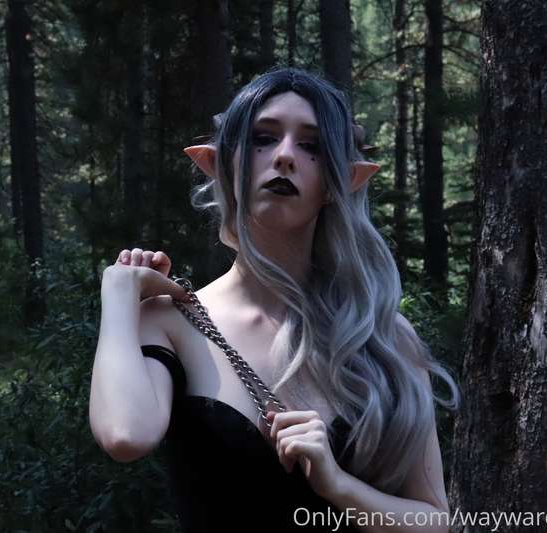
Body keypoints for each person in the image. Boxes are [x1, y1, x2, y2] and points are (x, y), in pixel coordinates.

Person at [89, 67, 460, 532]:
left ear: (340, 181)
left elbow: (434, 521)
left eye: (312, 146)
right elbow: (125, 435)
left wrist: (338, 486)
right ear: (222, 163)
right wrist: (118, 294)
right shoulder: (170, 321)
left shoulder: (385, 337)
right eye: (263, 138)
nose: (284, 156)